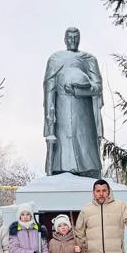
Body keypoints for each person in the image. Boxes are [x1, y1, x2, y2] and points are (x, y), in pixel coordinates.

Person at [43, 27, 104, 178]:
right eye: (69, 38)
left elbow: (98, 87)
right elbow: (49, 87)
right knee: (63, 141)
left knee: (84, 141)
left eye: (76, 37)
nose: (73, 41)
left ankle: (88, 168)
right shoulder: (55, 59)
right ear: (65, 39)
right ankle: (60, 168)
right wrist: (49, 114)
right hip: (61, 107)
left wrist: (79, 90)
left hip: (84, 109)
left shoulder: (89, 59)